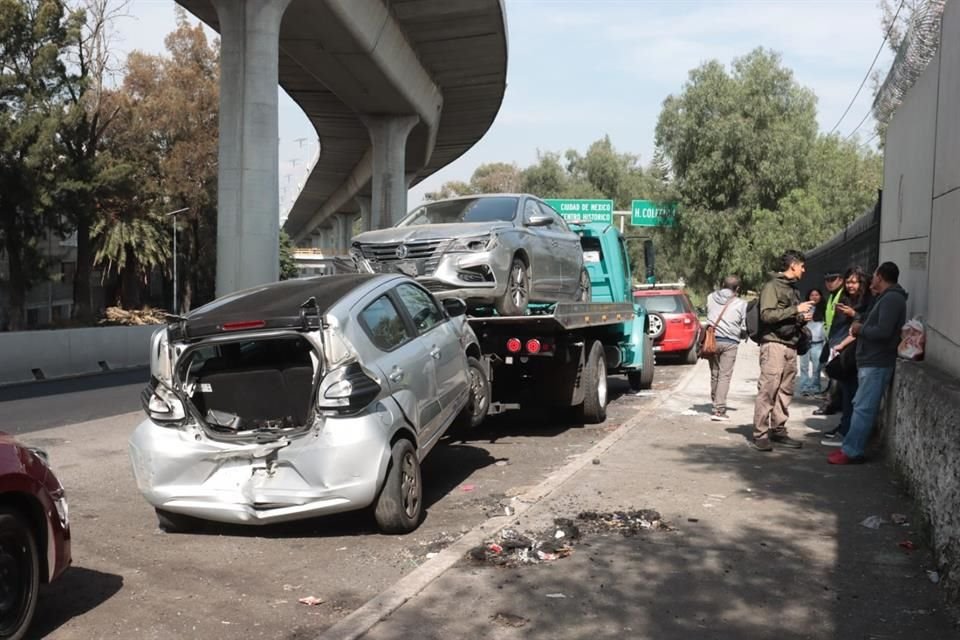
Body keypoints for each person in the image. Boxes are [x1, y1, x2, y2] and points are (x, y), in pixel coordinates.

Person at [828, 262, 907, 465]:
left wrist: (858, 330)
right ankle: (851, 447)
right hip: (871, 360)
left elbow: (883, 331)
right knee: (860, 404)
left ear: (880, 276)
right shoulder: (885, 298)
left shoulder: (892, 299)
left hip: (877, 361)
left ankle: (852, 451)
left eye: (874, 277)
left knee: (864, 408)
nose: (871, 279)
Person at [752, 250, 815, 452]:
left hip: (790, 344)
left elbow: (787, 317)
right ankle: (760, 434)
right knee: (768, 389)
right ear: (793, 266)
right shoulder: (772, 286)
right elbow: (767, 315)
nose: (804, 270)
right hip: (774, 345)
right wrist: (796, 310)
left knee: (785, 390)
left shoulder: (793, 289)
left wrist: (801, 318)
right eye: (802, 266)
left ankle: (778, 430)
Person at [820, 267, 871, 446]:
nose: (850, 285)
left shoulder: (867, 301)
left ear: (862, 282)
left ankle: (847, 431)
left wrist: (853, 314)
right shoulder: (844, 298)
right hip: (842, 352)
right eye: (848, 281)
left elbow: (863, 324)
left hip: (855, 354)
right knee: (845, 392)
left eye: (854, 282)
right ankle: (843, 427)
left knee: (853, 394)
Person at [705, 275, 748, 421]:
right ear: (737, 288)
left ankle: (715, 401)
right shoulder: (741, 304)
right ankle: (719, 410)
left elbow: (709, 314)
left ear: (722, 284)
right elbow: (744, 325)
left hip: (712, 340)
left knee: (715, 373)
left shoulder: (710, 297)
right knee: (725, 375)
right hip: (730, 342)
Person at [813, 271, 846, 415]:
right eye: (827, 280)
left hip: (839, 340)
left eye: (833, 279)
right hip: (831, 338)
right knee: (830, 373)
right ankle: (831, 402)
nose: (829, 282)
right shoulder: (832, 295)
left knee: (835, 377)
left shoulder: (843, 295)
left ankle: (831, 404)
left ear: (840, 280)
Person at [797, 288, 826, 396]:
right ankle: (804, 387)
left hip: (818, 342)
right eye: (812, 295)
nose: (814, 297)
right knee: (804, 367)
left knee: (817, 367)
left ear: (821, 296)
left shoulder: (824, 308)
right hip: (805, 341)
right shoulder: (804, 308)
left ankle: (815, 387)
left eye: (817, 295)